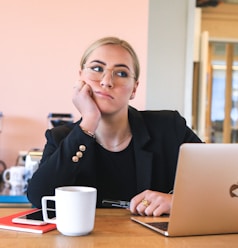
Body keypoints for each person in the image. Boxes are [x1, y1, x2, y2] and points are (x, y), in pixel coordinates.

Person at [27, 36, 202, 216]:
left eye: (121, 73)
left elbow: (222, 184)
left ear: (134, 88)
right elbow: (39, 198)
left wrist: (178, 202)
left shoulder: (170, 127)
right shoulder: (61, 138)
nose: (106, 81)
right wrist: (88, 121)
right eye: (96, 69)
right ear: (80, 78)